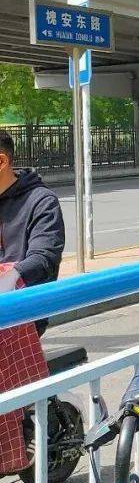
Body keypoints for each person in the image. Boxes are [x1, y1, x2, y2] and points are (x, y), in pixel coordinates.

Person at [0, 130, 65, 332]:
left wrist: (10, 277)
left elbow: (43, 257)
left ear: (2, 162)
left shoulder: (42, 202)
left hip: (23, 311)